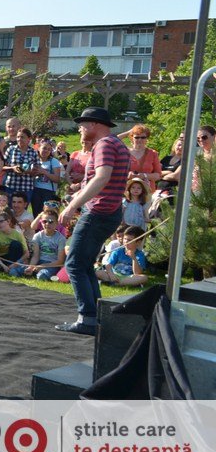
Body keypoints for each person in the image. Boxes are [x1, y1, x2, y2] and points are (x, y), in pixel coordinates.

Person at [57, 107, 131, 336]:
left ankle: (87, 318)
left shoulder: (104, 145)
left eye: (82, 124)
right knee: (85, 264)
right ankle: (96, 317)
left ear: (94, 124)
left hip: (98, 213)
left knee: (74, 264)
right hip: (110, 211)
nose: (79, 128)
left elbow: (102, 177)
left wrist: (71, 206)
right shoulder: (117, 145)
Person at [2, 127, 37, 205]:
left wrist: (26, 171)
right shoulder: (11, 150)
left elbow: (37, 171)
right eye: (18, 137)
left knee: (22, 213)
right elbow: (2, 166)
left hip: (26, 188)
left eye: (22, 137)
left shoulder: (33, 152)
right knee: (10, 212)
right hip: (11, 186)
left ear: (29, 139)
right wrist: (12, 168)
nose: (19, 139)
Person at [30, 138, 64, 216]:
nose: (46, 151)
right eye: (44, 148)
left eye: (49, 149)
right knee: (36, 213)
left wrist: (44, 172)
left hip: (48, 191)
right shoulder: (34, 160)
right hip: (35, 189)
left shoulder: (54, 162)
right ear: (39, 148)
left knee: (47, 213)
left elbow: (57, 179)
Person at [125, 124, 162, 191]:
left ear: (147, 138)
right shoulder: (125, 152)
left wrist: (144, 176)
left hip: (147, 192)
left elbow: (158, 175)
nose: (140, 140)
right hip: (127, 190)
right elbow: (112, 141)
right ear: (132, 138)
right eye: (137, 137)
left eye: (143, 137)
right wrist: (127, 175)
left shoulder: (153, 153)